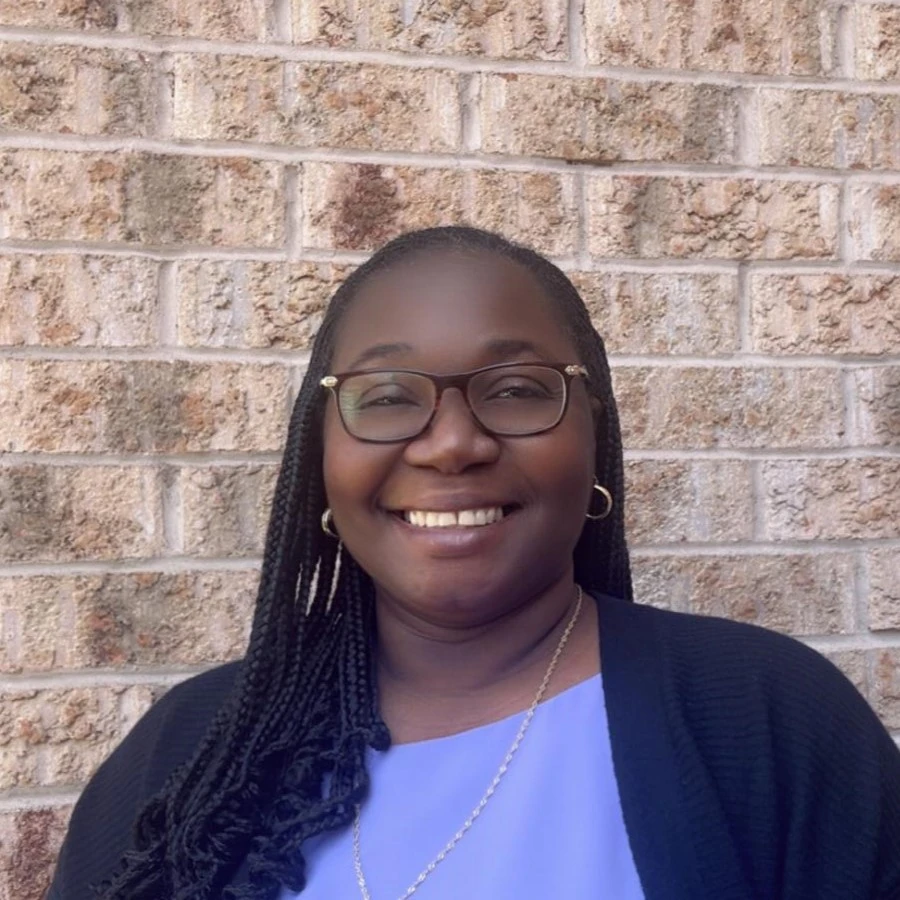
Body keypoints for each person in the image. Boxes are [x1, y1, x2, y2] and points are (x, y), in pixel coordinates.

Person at [48, 227, 900, 900]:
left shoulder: (766, 721)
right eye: (387, 397)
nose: (452, 444)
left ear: (594, 438)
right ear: (321, 456)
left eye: (518, 389)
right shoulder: (187, 758)